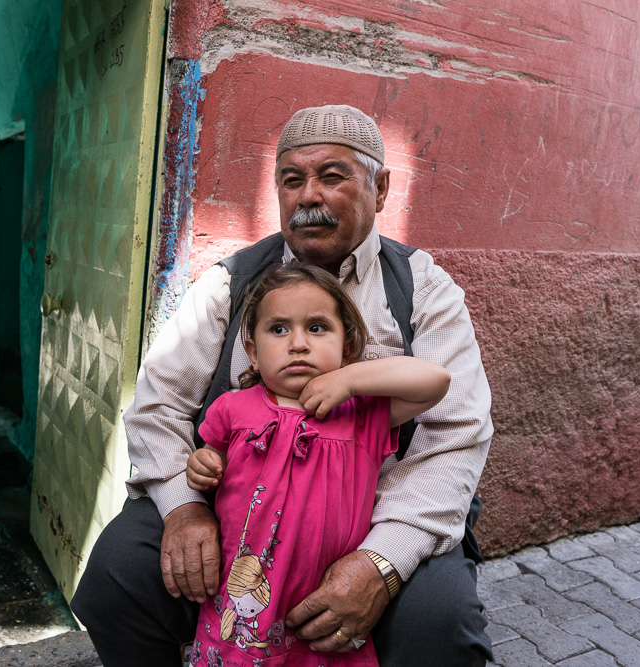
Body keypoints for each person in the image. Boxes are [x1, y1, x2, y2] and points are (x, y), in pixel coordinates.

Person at [71, 104, 493, 666]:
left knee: (440, 626)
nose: (308, 196)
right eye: (291, 180)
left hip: (378, 511)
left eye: (333, 176)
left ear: (381, 189)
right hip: (242, 508)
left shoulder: (424, 288)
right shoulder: (229, 283)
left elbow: (455, 432)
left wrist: (381, 561)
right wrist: (185, 508)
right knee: (117, 574)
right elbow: (157, 407)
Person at [185, 262, 451, 666]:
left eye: (317, 327)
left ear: (347, 347)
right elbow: (213, 457)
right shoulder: (232, 408)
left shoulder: (361, 414)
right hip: (243, 603)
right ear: (253, 353)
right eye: (278, 329)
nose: (298, 344)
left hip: (324, 611)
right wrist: (204, 464)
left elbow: (436, 380)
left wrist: (351, 380)